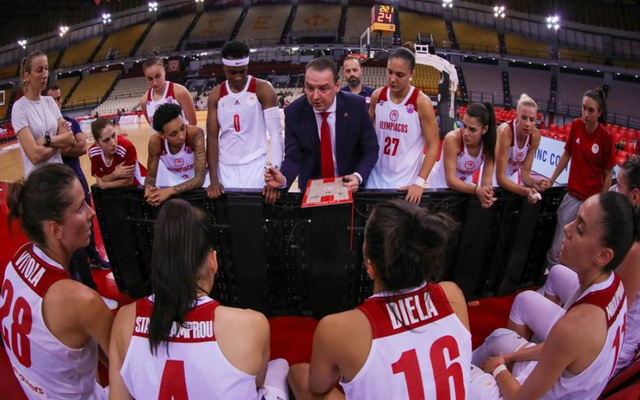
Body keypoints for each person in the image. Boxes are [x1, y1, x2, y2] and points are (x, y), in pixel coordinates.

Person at [287, 200, 471, 399]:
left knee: (297, 374)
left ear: (370, 265)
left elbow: (318, 386)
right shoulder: (452, 294)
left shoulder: (337, 328)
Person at [108, 199, 289, 399]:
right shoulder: (252, 324)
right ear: (213, 261)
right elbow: (258, 383)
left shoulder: (124, 319)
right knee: (280, 366)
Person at [469, 191, 634, 399]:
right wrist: (510, 357)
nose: (567, 228)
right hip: (566, 381)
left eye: (580, 229)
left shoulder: (575, 325)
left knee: (461, 375)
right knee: (498, 338)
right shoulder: (613, 284)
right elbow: (556, 348)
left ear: (603, 256)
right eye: (575, 219)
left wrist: (498, 369)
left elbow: (521, 398)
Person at [508, 156, 640, 378]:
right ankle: (541, 341)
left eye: (619, 185)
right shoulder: (626, 230)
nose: (613, 189)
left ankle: (525, 366)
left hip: (608, 341)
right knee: (556, 273)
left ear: (635, 196)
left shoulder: (635, 249)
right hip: (602, 315)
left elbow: (614, 312)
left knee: (521, 305)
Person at [2, 164, 113, 399]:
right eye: (80, 207)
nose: (91, 213)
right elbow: (127, 366)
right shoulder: (82, 301)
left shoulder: (19, 258)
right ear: (56, 229)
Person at [264, 57, 379, 197]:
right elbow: (293, 157)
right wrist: (283, 180)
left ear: (337, 86)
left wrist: (357, 176)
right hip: (312, 193)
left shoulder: (356, 106)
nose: (315, 96)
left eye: (323, 89)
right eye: (310, 88)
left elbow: (371, 149)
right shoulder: (294, 112)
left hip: (351, 190)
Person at [45, 84, 111, 283]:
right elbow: (62, 149)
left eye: (59, 98)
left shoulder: (71, 121)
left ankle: (94, 257)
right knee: (71, 228)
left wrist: (59, 145)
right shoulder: (47, 127)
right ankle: (76, 272)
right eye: (52, 99)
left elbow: (82, 147)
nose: (57, 102)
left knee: (88, 220)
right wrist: (66, 144)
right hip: (61, 186)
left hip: (78, 180)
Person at [206, 40, 283, 199]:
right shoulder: (216, 94)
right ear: (224, 67)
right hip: (224, 168)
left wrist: (275, 173)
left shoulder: (263, 89)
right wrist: (213, 179)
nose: (238, 77)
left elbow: (276, 134)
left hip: (256, 166)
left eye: (242, 71)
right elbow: (212, 139)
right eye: (232, 72)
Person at [546, 88, 615, 266]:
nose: (586, 113)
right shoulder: (576, 125)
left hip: (590, 202)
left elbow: (608, 173)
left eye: (591, 110)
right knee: (557, 248)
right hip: (571, 196)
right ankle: (552, 275)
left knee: (579, 249)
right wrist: (552, 180)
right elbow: (566, 154)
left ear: (599, 112)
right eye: (584, 108)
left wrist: (600, 204)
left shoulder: (606, 137)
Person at [367, 46, 440, 204]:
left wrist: (419, 183)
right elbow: (367, 134)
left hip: (405, 186)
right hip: (374, 181)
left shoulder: (421, 102)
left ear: (412, 74)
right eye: (390, 72)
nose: (392, 79)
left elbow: (434, 146)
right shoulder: (377, 96)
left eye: (399, 75)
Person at [11, 50, 75, 177]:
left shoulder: (50, 102)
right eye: (39, 70)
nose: (45, 74)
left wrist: (47, 140)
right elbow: (35, 155)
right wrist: (59, 141)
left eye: (46, 69)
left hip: (59, 175)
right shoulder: (19, 108)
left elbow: (70, 139)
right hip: (38, 181)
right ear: (27, 76)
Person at [427, 102, 497, 208]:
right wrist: (477, 190)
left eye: (472, 129)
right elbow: (450, 180)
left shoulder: (490, 144)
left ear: (485, 129)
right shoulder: (452, 139)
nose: (466, 133)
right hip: (440, 187)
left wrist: (486, 195)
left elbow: (487, 177)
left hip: (465, 188)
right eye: (464, 126)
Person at [144, 103, 208, 206]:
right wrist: (149, 189)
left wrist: (168, 191)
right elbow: (151, 177)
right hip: (174, 180)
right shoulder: (155, 142)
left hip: (202, 182)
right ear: (162, 134)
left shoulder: (195, 134)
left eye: (183, 128)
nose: (181, 136)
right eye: (174, 134)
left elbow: (199, 179)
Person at [495, 94, 550, 203]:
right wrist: (525, 191)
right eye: (524, 118)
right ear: (517, 116)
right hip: (494, 173)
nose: (528, 124)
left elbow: (525, 175)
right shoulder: (505, 132)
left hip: (512, 175)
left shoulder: (535, 135)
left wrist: (534, 182)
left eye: (532, 119)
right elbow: (500, 179)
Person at [139, 52, 197, 127]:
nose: (155, 82)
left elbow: (193, 123)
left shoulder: (180, 92)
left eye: (158, 76)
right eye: (150, 79)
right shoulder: (144, 101)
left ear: (164, 71)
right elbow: (153, 127)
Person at [88, 117, 146, 189]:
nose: (113, 143)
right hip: (114, 190)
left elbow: (129, 181)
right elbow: (100, 178)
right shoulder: (93, 153)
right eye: (106, 140)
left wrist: (105, 185)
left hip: (137, 186)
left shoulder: (127, 147)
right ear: (97, 144)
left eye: (113, 135)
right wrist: (115, 174)